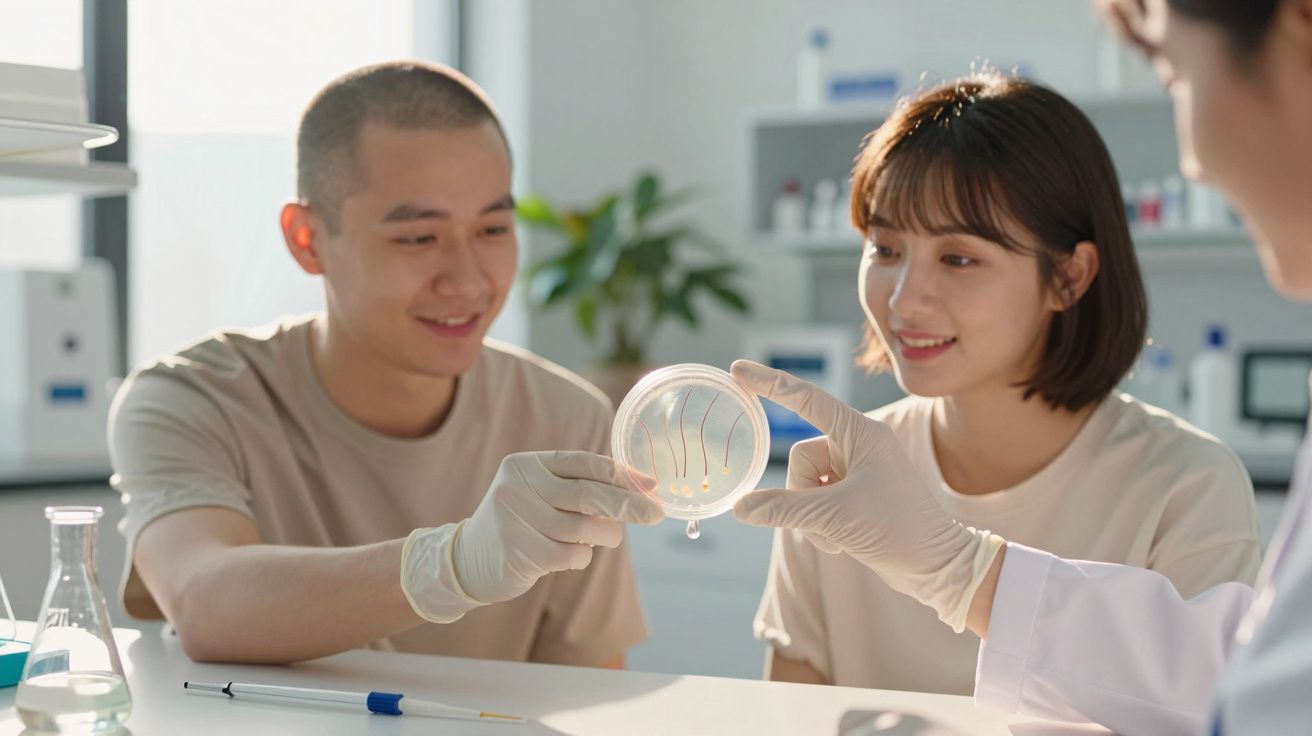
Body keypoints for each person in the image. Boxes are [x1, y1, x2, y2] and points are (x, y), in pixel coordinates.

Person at [730, 0, 1312, 732]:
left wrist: (960, 569)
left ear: (1069, 276)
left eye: (959, 258)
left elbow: (1222, 702)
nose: (904, 298)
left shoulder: (1185, 487)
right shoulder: (840, 477)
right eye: (884, 248)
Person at [108, 61, 663, 666]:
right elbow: (204, 600)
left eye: (493, 229)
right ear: (306, 239)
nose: (468, 280)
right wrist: (451, 566)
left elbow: (586, 691)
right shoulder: (192, 401)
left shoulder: (565, 417)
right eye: (418, 238)